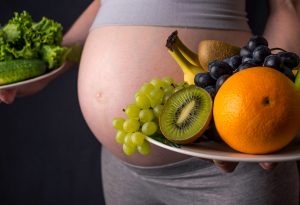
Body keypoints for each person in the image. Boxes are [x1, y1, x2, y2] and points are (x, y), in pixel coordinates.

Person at [0, 0, 299, 204]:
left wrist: (273, 104)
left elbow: (287, 7)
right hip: (124, 171)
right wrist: (52, 64)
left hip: (223, 169)